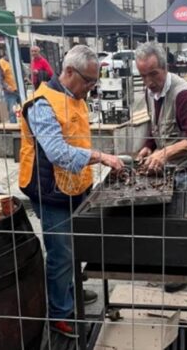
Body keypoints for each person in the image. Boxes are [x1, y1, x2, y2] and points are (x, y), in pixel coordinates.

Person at [18, 45, 124, 338]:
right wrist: (101, 157)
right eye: (89, 81)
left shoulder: (76, 97)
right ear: (68, 72)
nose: (92, 87)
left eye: (94, 81)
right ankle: (59, 314)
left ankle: (70, 291)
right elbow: (58, 153)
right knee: (61, 252)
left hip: (76, 186)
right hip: (51, 190)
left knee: (75, 245)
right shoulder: (42, 104)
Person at [134, 42, 187, 293]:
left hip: (184, 170)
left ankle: (182, 272)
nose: (149, 82)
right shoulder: (150, 92)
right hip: (164, 169)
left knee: (181, 225)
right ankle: (166, 264)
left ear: (165, 68)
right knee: (165, 222)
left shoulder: (183, 94)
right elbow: (155, 126)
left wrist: (165, 153)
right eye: (143, 76)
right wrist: (148, 147)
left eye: (153, 74)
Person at [0, 52, 20, 123]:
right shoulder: (0, 63)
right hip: (10, 91)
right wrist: (6, 86)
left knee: (24, 108)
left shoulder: (16, 60)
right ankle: (13, 127)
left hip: (19, 89)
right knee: (12, 110)